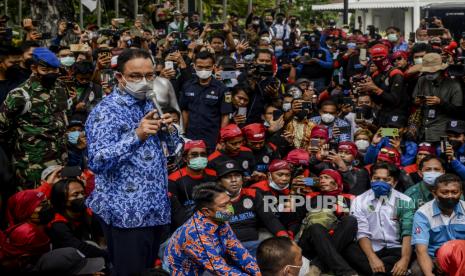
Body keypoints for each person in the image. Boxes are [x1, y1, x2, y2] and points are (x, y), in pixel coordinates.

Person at [85, 48, 183, 275]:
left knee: (149, 270)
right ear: (120, 77)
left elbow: (173, 152)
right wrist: (136, 136)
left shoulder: (150, 102)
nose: (145, 82)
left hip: (155, 208)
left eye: (150, 76)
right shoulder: (105, 112)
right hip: (127, 214)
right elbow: (97, 162)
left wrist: (170, 131)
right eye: (136, 77)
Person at [0, 47, 68, 189]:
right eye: (45, 70)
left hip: (61, 162)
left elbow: (62, 115)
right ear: (34, 68)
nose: (51, 74)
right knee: (36, 206)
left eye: (54, 70)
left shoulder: (60, 88)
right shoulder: (19, 95)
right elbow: (2, 129)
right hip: (32, 168)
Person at [163, 182, 261, 275]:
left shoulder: (220, 218)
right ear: (206, 211)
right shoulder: (195, 234)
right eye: (223, 206)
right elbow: (220, 269)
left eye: (229, 203)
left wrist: (259, 272)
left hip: (208, 266)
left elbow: (238, 250)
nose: (229, 209)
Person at [349, 162, 414, 276]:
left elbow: (407, 232)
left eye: (386, 179)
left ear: (394, 183)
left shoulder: (405, 201)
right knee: (348, 248)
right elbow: (362, 232)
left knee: (400, 260)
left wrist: (405, 260)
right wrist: (372, 258)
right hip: (370, 248)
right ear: (371, 179)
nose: (380, 182)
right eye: (376, 178)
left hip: (396, 249)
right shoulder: (359, 200)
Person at [216, 160, 289, 256]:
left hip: (255, 241)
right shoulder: (214, 199)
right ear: (220, 182)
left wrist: (283, 235)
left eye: (237, 176)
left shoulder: (253, 194)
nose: (234, 180)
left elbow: (269, 218)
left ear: (243, 179)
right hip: (227, 245)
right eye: (227, 177)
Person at [297, 169, 358, 275]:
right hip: (310, 239)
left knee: (350, 220)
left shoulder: (349, 198)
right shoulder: (310, 196)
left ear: (337, 181)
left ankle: (317, 266)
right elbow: (295, 218)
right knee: (317, 227)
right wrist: (297, 192)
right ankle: (346, 272)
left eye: (326, 177)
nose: (322, 180)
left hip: (335, 239)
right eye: (320, 178)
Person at [411, 174, 465, 276]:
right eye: (444, 192)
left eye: (454, 192)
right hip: (433, 256)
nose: (450, 196)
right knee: (417, 270)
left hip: (462, 254)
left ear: (461, 193)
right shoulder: (423, 213)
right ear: (435, 193)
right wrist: (429, 273)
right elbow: (421, 250)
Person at [180, 51, 231, 151]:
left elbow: (225, 116)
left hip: (212, 140)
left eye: (207, 67)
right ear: (194, 66)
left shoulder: (222, 89)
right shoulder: (187, 86)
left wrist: (221, 140)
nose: (203, 70)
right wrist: (183, 134)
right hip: (191, 138)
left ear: (213, 67)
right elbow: (185, 111)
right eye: (200, 67)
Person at [49, 178, 107, 259]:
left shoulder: (89, 214)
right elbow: (79, 248)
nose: (81, 197)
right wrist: (108, 254)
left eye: (83, 193)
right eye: (75, 195)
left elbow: (101, 237)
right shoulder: (58, 225)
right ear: (62, 200)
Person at [412, 53, 462, 143]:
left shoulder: (454, 85)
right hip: (422, 132)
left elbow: (458, 112)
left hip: (442, 133)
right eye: (427, 72)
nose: (429, 74)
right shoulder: (422, 80)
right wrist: (416, 101)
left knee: (441, 155)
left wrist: (440, 102)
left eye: (432, 71)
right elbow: (412, 101)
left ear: (440, 70)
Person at [168, 140, 217, 228]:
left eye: (203, 154)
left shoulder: (213, 175)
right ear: (185, 158)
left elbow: (223, 207)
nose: (199, 157)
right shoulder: (173, 179)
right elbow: (176, 213)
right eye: (194, 155)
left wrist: (219, 218)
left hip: (213, 222)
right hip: (187, 226)